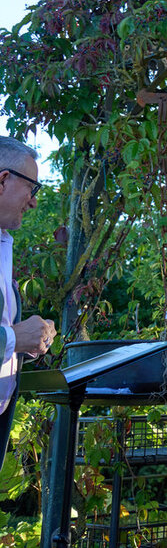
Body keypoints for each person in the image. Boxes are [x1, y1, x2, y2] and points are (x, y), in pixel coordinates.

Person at [0, 136, 56, 471]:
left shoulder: (4, 243)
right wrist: (13, 338)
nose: (33, 202)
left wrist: (30, 339)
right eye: (32, 188)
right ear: (3, 180)